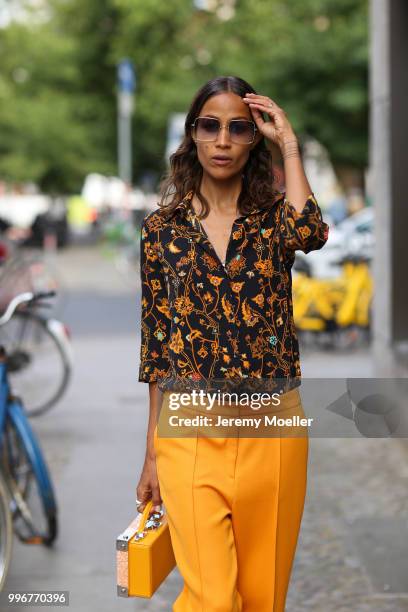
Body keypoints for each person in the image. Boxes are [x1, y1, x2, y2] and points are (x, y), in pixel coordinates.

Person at [136, 76, 329, 611]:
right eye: (210, 126)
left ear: (253, 140)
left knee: (263, 599)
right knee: (214, 600)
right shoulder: (162, 230)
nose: (222, 140)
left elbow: (312, 232)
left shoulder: (273, 223)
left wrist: (288, 144)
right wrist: (151, 451)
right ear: (193, 135)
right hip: (190, 433)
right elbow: (157, 345)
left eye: (238, 129)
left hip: (273, 431)